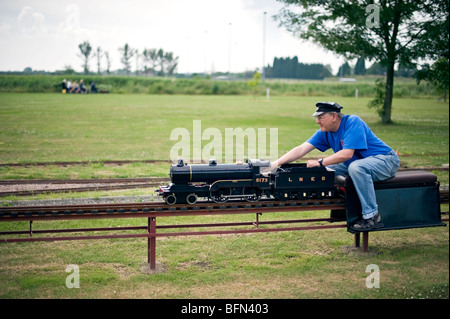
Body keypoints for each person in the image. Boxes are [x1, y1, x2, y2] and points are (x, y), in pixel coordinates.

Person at [269, 101, 400, 231]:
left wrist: (320, 161)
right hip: (357, 163)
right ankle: (342, 206)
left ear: (334, 116)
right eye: (317, 118)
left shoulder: (353, 122)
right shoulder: (326, 132)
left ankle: (372, 217)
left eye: (321, 117)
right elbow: (302, 149)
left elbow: (347, 154)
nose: (317, 121)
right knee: (323, 170)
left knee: (356, 167)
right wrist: (276, 163)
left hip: (386, 160)